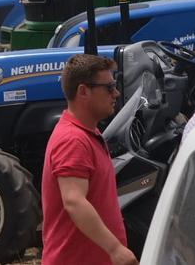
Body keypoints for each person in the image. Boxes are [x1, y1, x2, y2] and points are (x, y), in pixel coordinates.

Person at [42, 54, 135, 265]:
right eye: (109, 87)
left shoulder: (88, 133)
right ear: (83, 91)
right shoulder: (73, 140)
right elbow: (74, 201)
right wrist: (115, 249)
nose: (116, 93)